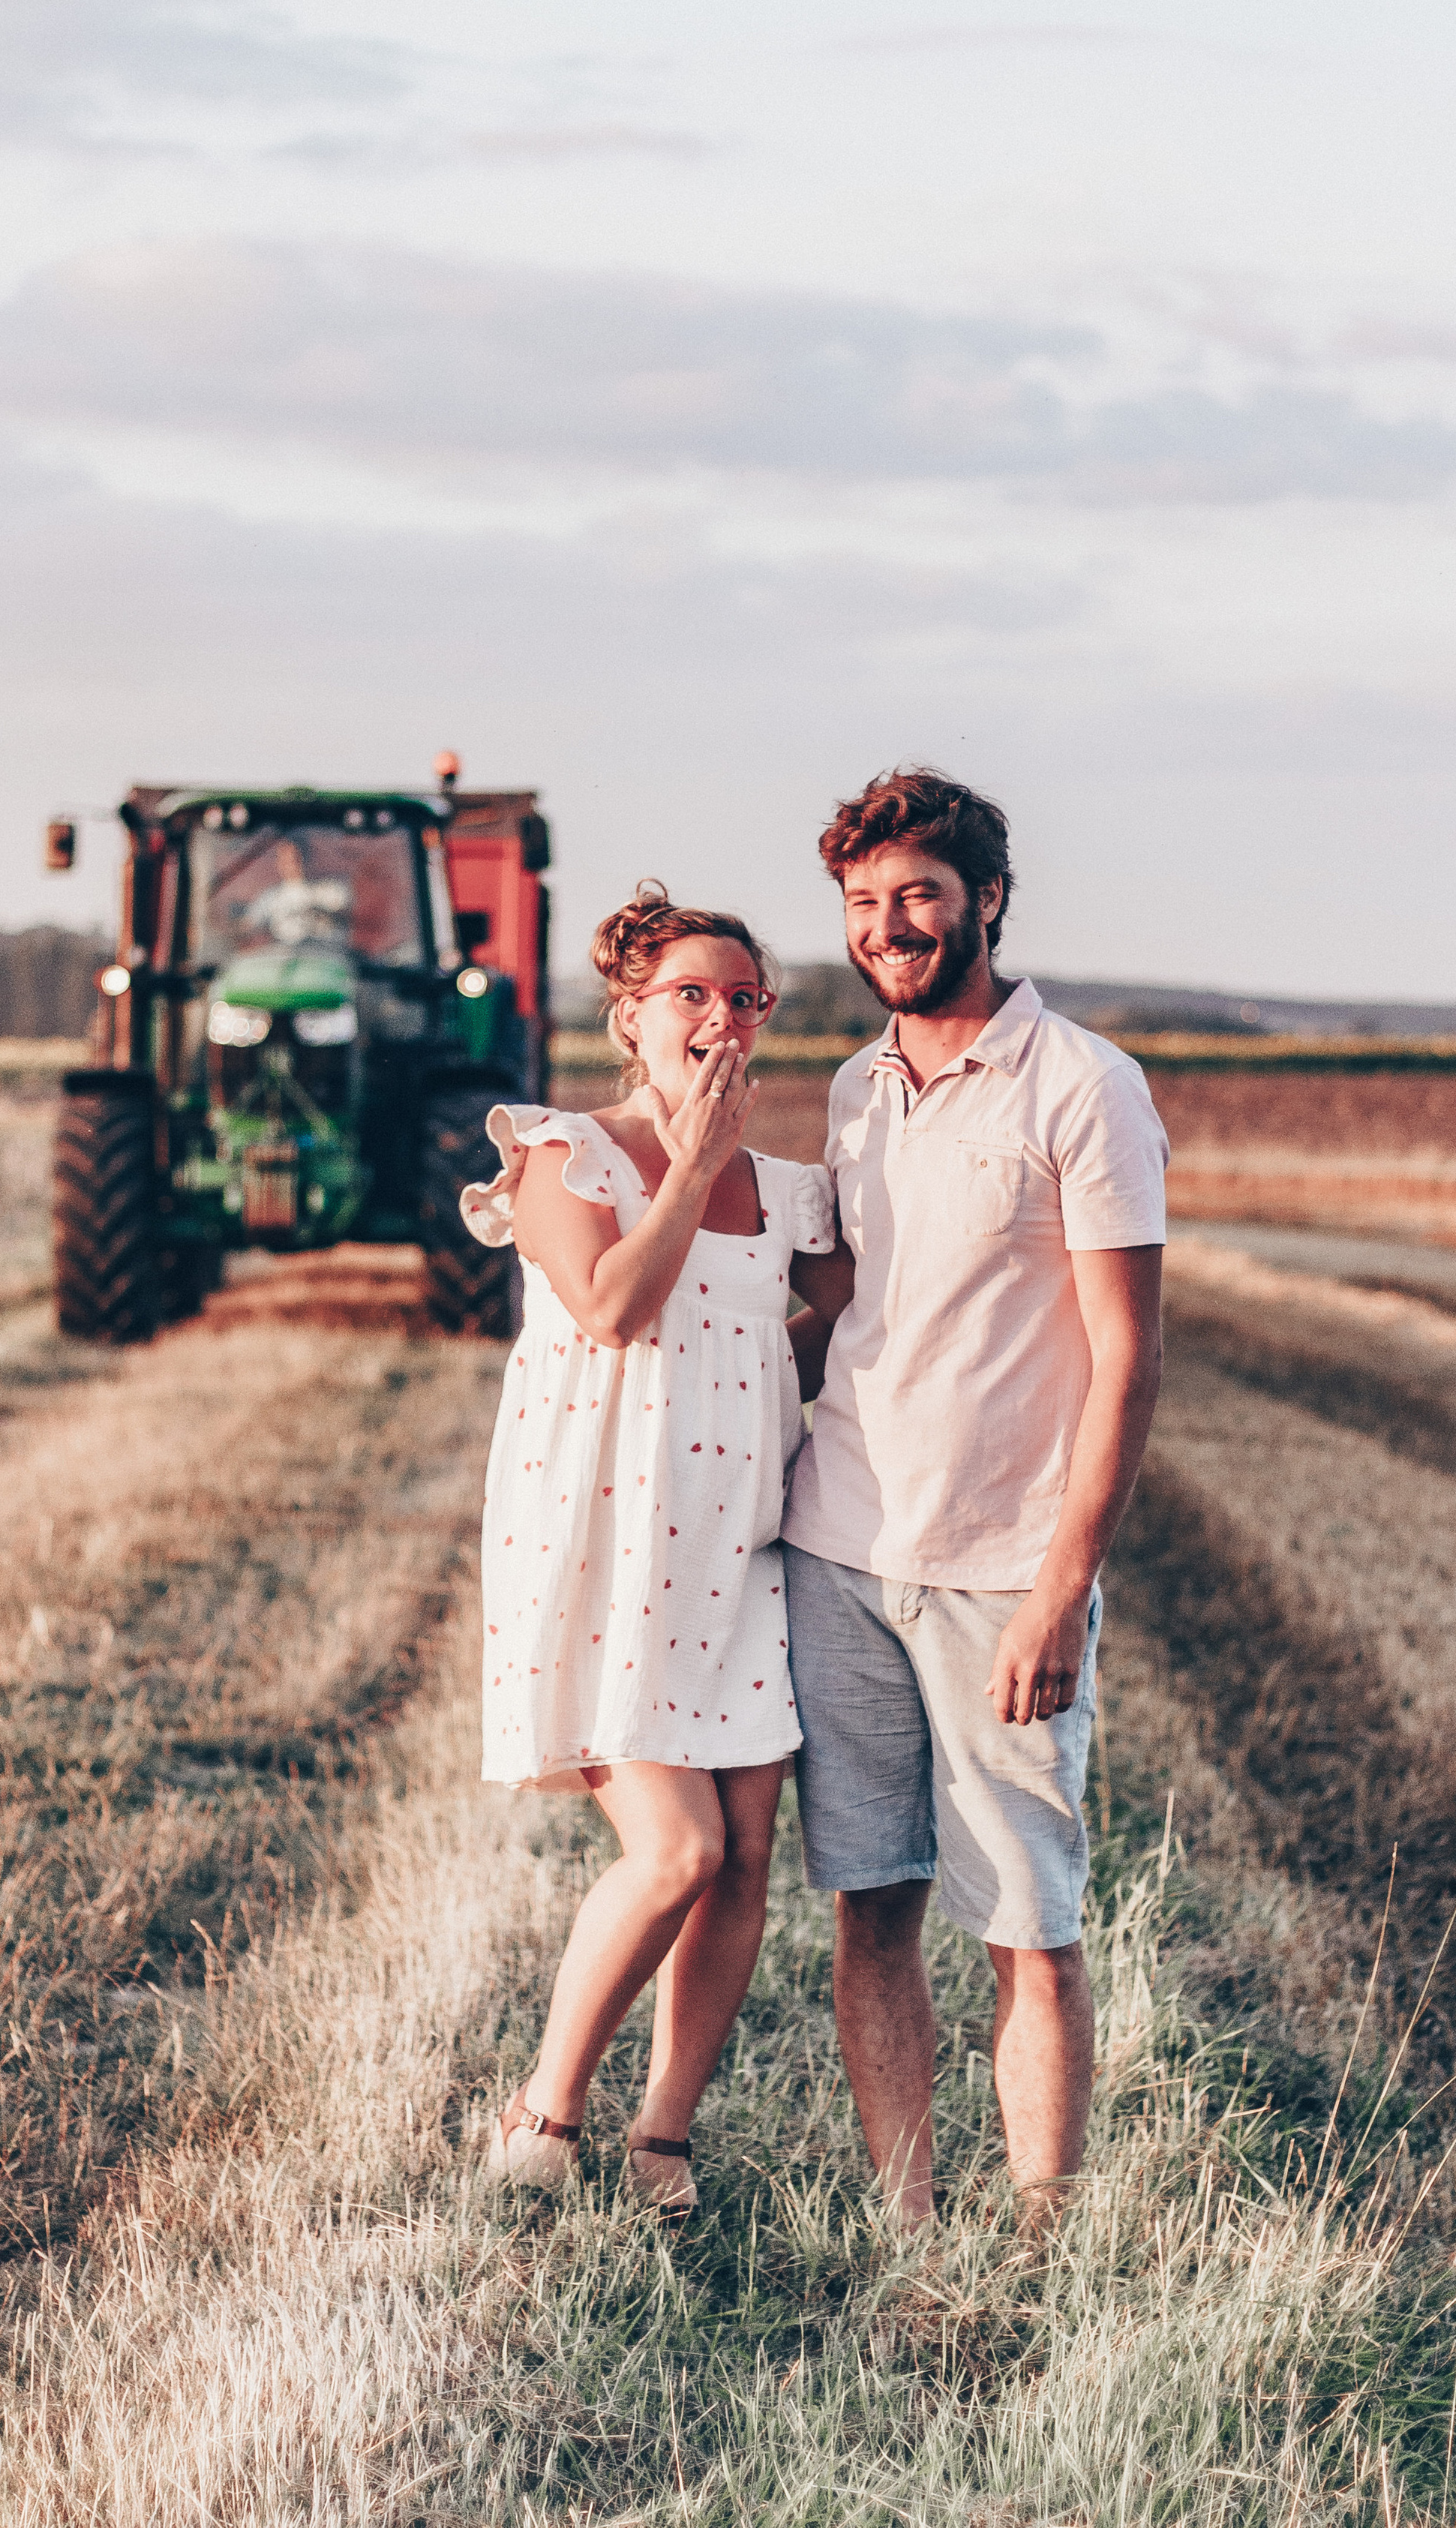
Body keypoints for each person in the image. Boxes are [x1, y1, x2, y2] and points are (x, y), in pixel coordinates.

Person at [782, 767, 1167, 2229]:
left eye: (918, 897)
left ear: (987, 901)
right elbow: (837, 1311)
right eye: (866, 905)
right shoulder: (852, 1091)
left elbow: (1125, 1365)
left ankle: (1040, 2232)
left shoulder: (1082, 1088)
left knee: (1027, 1918)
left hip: (1004, 1568)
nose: (890, 927)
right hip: (839, 1551)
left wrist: (1063, 1588)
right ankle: (908, 2224)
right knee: (869, 1904)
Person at [462, 884, 853, 2211]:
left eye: (745, 999)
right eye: (692, 993)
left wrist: (754, 1371)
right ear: (631, 1016)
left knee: (744, 1855)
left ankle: (663, 2137)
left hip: (744, 1554)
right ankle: (546, 2108)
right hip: (611, 1551)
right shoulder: (571, 1154)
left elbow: (848, 1335)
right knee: (675, 1849)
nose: (723, 1017)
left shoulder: (792, 1191)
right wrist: (692, 1160)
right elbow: (619, 1307)